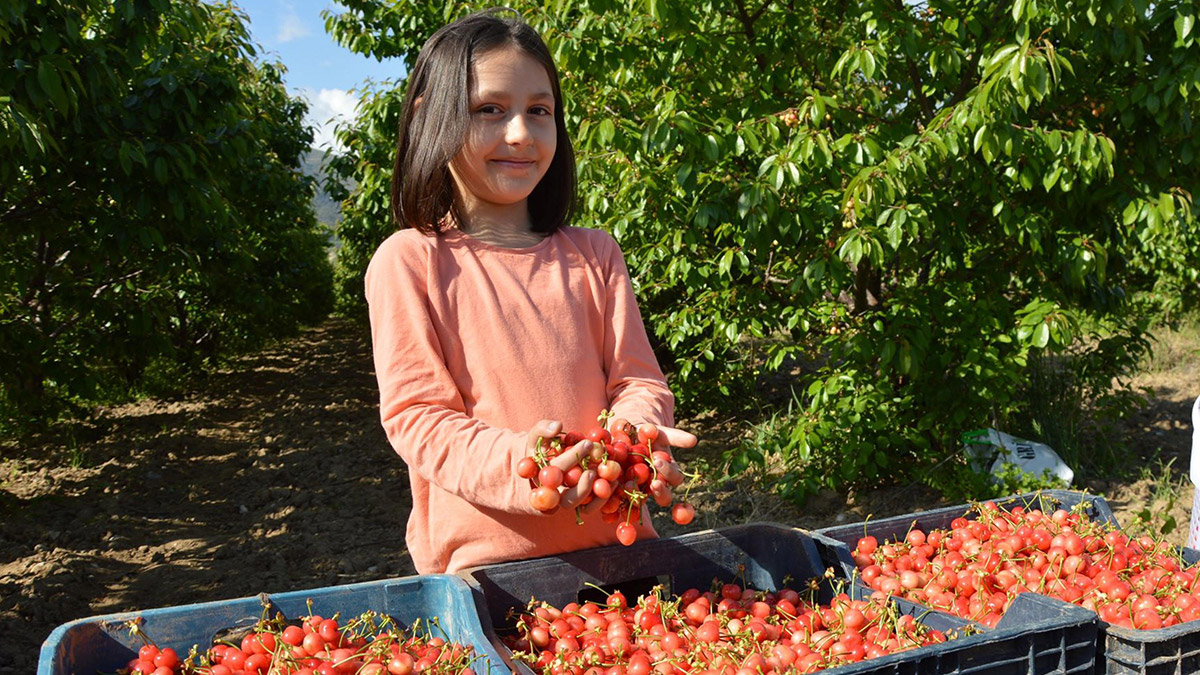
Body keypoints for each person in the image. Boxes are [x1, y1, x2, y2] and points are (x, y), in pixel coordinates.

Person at [365, 9, 696, 575]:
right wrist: (533, 465)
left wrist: (633, 436)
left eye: (539, 111)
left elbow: (638, 381)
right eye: (489, 110)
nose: (520, 133)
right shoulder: (412, 262)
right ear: (427, 118)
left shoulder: (595, 255)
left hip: (622, 559)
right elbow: (420, 418)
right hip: (486, 572)